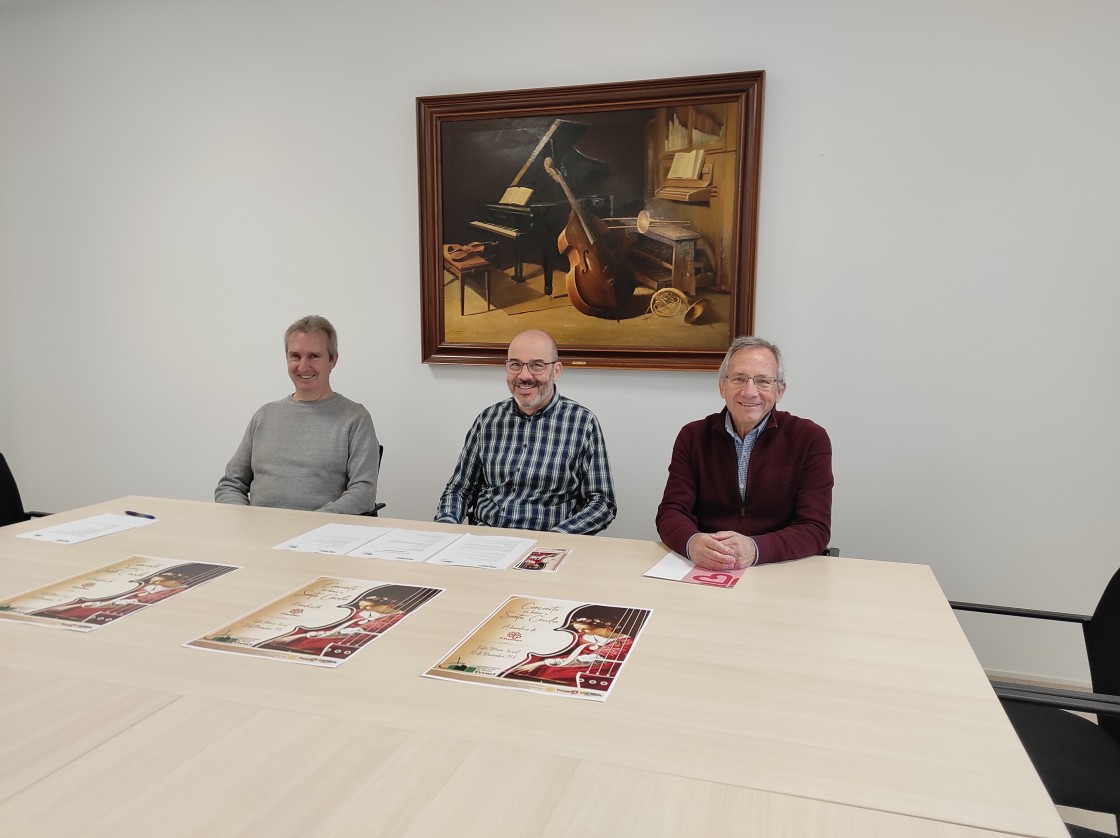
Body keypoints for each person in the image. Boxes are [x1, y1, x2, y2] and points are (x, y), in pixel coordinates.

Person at [656, 336, 833, 569]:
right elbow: (671, 512)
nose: (750, 392)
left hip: (779, 568)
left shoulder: (810, 438)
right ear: (722, 386)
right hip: (707, 566)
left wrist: (756, 549)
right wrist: (692, 543)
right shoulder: (692, 436)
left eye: (763, 381)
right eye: (739, 379)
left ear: (780, 390)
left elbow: (815, 528)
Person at [434, 329, 617, 534]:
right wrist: (447, 526)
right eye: (515, 365)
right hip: (486, 540)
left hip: (548, 544)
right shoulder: (488, 420)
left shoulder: (582, 423)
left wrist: (558, 537)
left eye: (536, 365)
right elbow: (460, 489)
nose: (524, 375)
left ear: (556, 371)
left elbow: (602, 503)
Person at [215, 315, 379, 515]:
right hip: (258, 535)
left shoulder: (354, 418)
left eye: (314, 356)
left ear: (333, 359)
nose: (303, 366)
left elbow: (364, 493)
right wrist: (247, 519)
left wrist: (309, 524)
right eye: (295, 356)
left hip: (319, 535)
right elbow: (229, 485)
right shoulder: (265, 416)